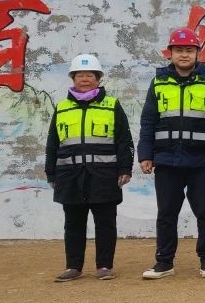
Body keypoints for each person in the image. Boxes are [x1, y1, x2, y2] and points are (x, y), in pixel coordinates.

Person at [138, 28, 205, 279]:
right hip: (167, 159)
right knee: (166, 214)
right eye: (179, 50)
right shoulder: (158, 82)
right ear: (171, 53)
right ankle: (164, 262)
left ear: (197, 53)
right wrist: (145, 155)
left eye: (189, 50)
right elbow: (148, 121)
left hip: (201, 160)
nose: (184, 54)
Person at [46, 54, 134, 282]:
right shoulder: (62, 107)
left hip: (103, 175)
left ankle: (104, 266)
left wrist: (125, 169)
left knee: (105, 223)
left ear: (98, 79)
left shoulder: (111, 105)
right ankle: (73, 267)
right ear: (73, 78)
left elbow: (124, 140)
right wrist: (51, 172)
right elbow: (52, 143)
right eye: (80, 75)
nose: (84, 79)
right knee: (73, 224)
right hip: (70, 176)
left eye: (90, 75)